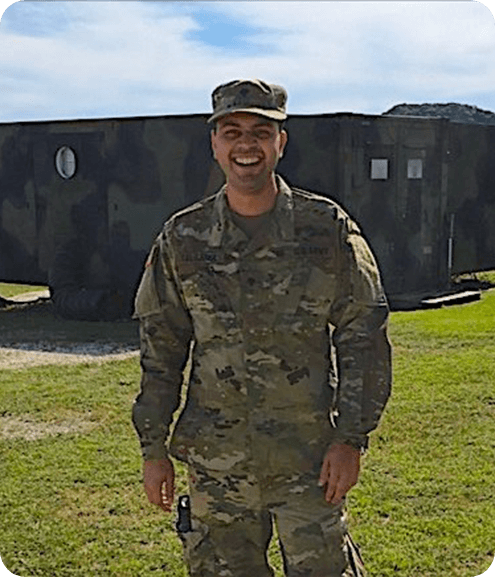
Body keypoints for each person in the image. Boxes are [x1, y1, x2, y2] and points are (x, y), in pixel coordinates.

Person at [132, 79, 392, 577]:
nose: (246, 145)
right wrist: (153, 450)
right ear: (214, 143)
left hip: (310, 462)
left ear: (281, 142)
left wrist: (351, 438)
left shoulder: (328, 229)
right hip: (216, 467)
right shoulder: (183, 239)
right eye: (232, 132)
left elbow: (363, 335)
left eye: (260, 131)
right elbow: (160, 351)